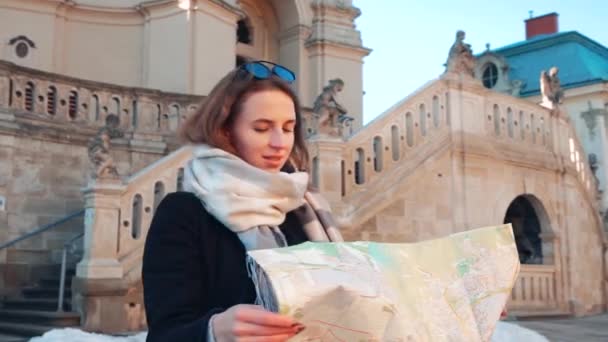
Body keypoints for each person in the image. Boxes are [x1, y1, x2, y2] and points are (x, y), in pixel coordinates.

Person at [142, 60, 343, 342]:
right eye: (262, 128)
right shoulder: (184, 213)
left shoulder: (304, 206)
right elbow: (165, 334)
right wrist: (213, 331)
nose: (279, 142)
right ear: (225, 131)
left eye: (288, 128)